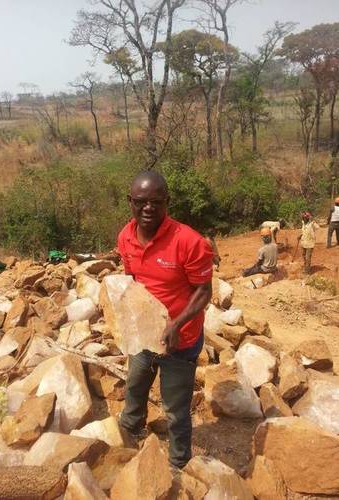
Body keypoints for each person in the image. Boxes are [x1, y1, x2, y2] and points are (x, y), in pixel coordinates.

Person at [117, 171, 213, 469]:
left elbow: (204, 292)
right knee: (135, 384)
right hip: (145, 333)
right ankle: (130, 430)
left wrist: (177, 324)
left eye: (156, 202)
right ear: (130, 201)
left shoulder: (189, 242)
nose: (148, 208)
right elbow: (132, 282)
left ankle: (179, 462)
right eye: (141, 201)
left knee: (175, 406)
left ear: (167, 202)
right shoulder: (125, 237)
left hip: (180, 340)